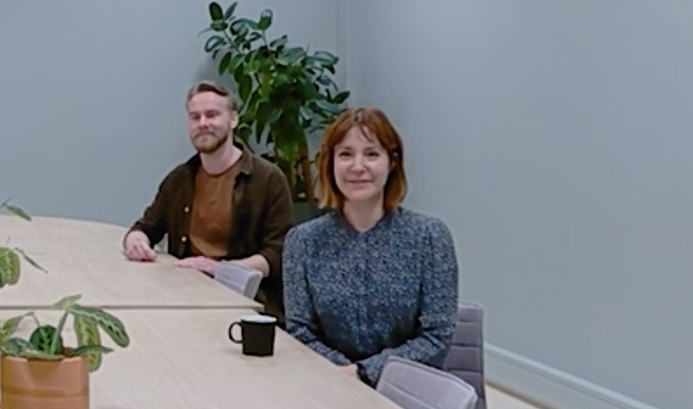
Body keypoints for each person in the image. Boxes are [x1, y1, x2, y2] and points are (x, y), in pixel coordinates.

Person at [283, 107, 458, 388]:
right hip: (327, 386)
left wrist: (365, 372)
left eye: (372, 154)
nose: (357, 166)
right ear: (330, 164)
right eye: (346, 154)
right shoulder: (302, 241)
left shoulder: (429, 238)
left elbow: (437, 336)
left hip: (407, 392)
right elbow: (299, 331)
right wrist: (341, 373)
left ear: (392, 163)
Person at [123, 81, 294, 319]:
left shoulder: (268, 179)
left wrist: (220, 270)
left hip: (244, 304)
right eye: (195, 117)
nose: (202, 124)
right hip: (185, 297)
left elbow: (277, 255)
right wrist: (136, 241)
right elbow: (146, 227)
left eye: (212, 115)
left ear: (233, 120)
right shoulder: (179, 179)